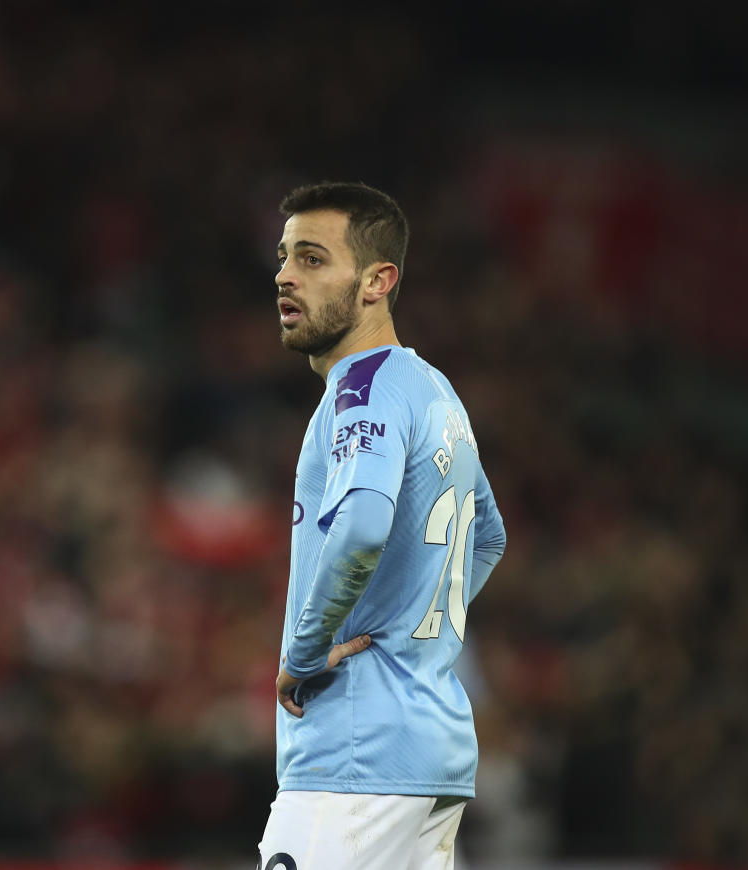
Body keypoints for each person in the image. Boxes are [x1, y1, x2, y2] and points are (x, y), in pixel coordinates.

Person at [258, 181, 506, 870]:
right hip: (430, 751)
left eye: (311, 259)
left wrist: (305, 653)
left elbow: (365, 526)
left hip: (354, 757)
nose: (283, 274)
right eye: (283, 257)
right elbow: (488, 536)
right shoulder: (432, 389)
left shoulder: (363, 389)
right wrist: (408, 630)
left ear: (377, 281)